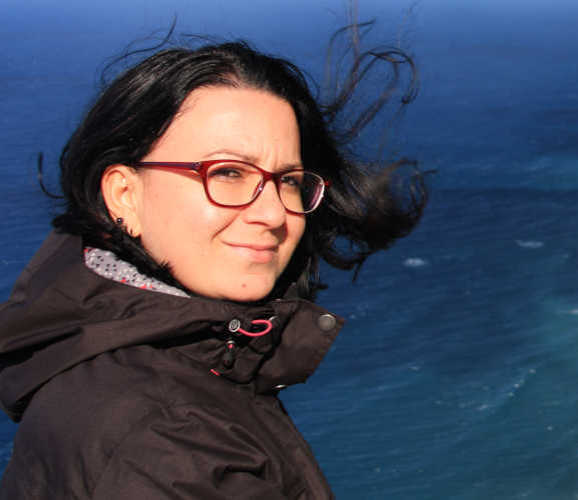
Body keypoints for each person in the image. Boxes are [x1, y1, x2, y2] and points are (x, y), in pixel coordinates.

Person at [0, 38, 424, 498]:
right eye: (226, 173)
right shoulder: (165, 439)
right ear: (125, 195)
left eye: (288, 181)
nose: (274, 214)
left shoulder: (131, 367)